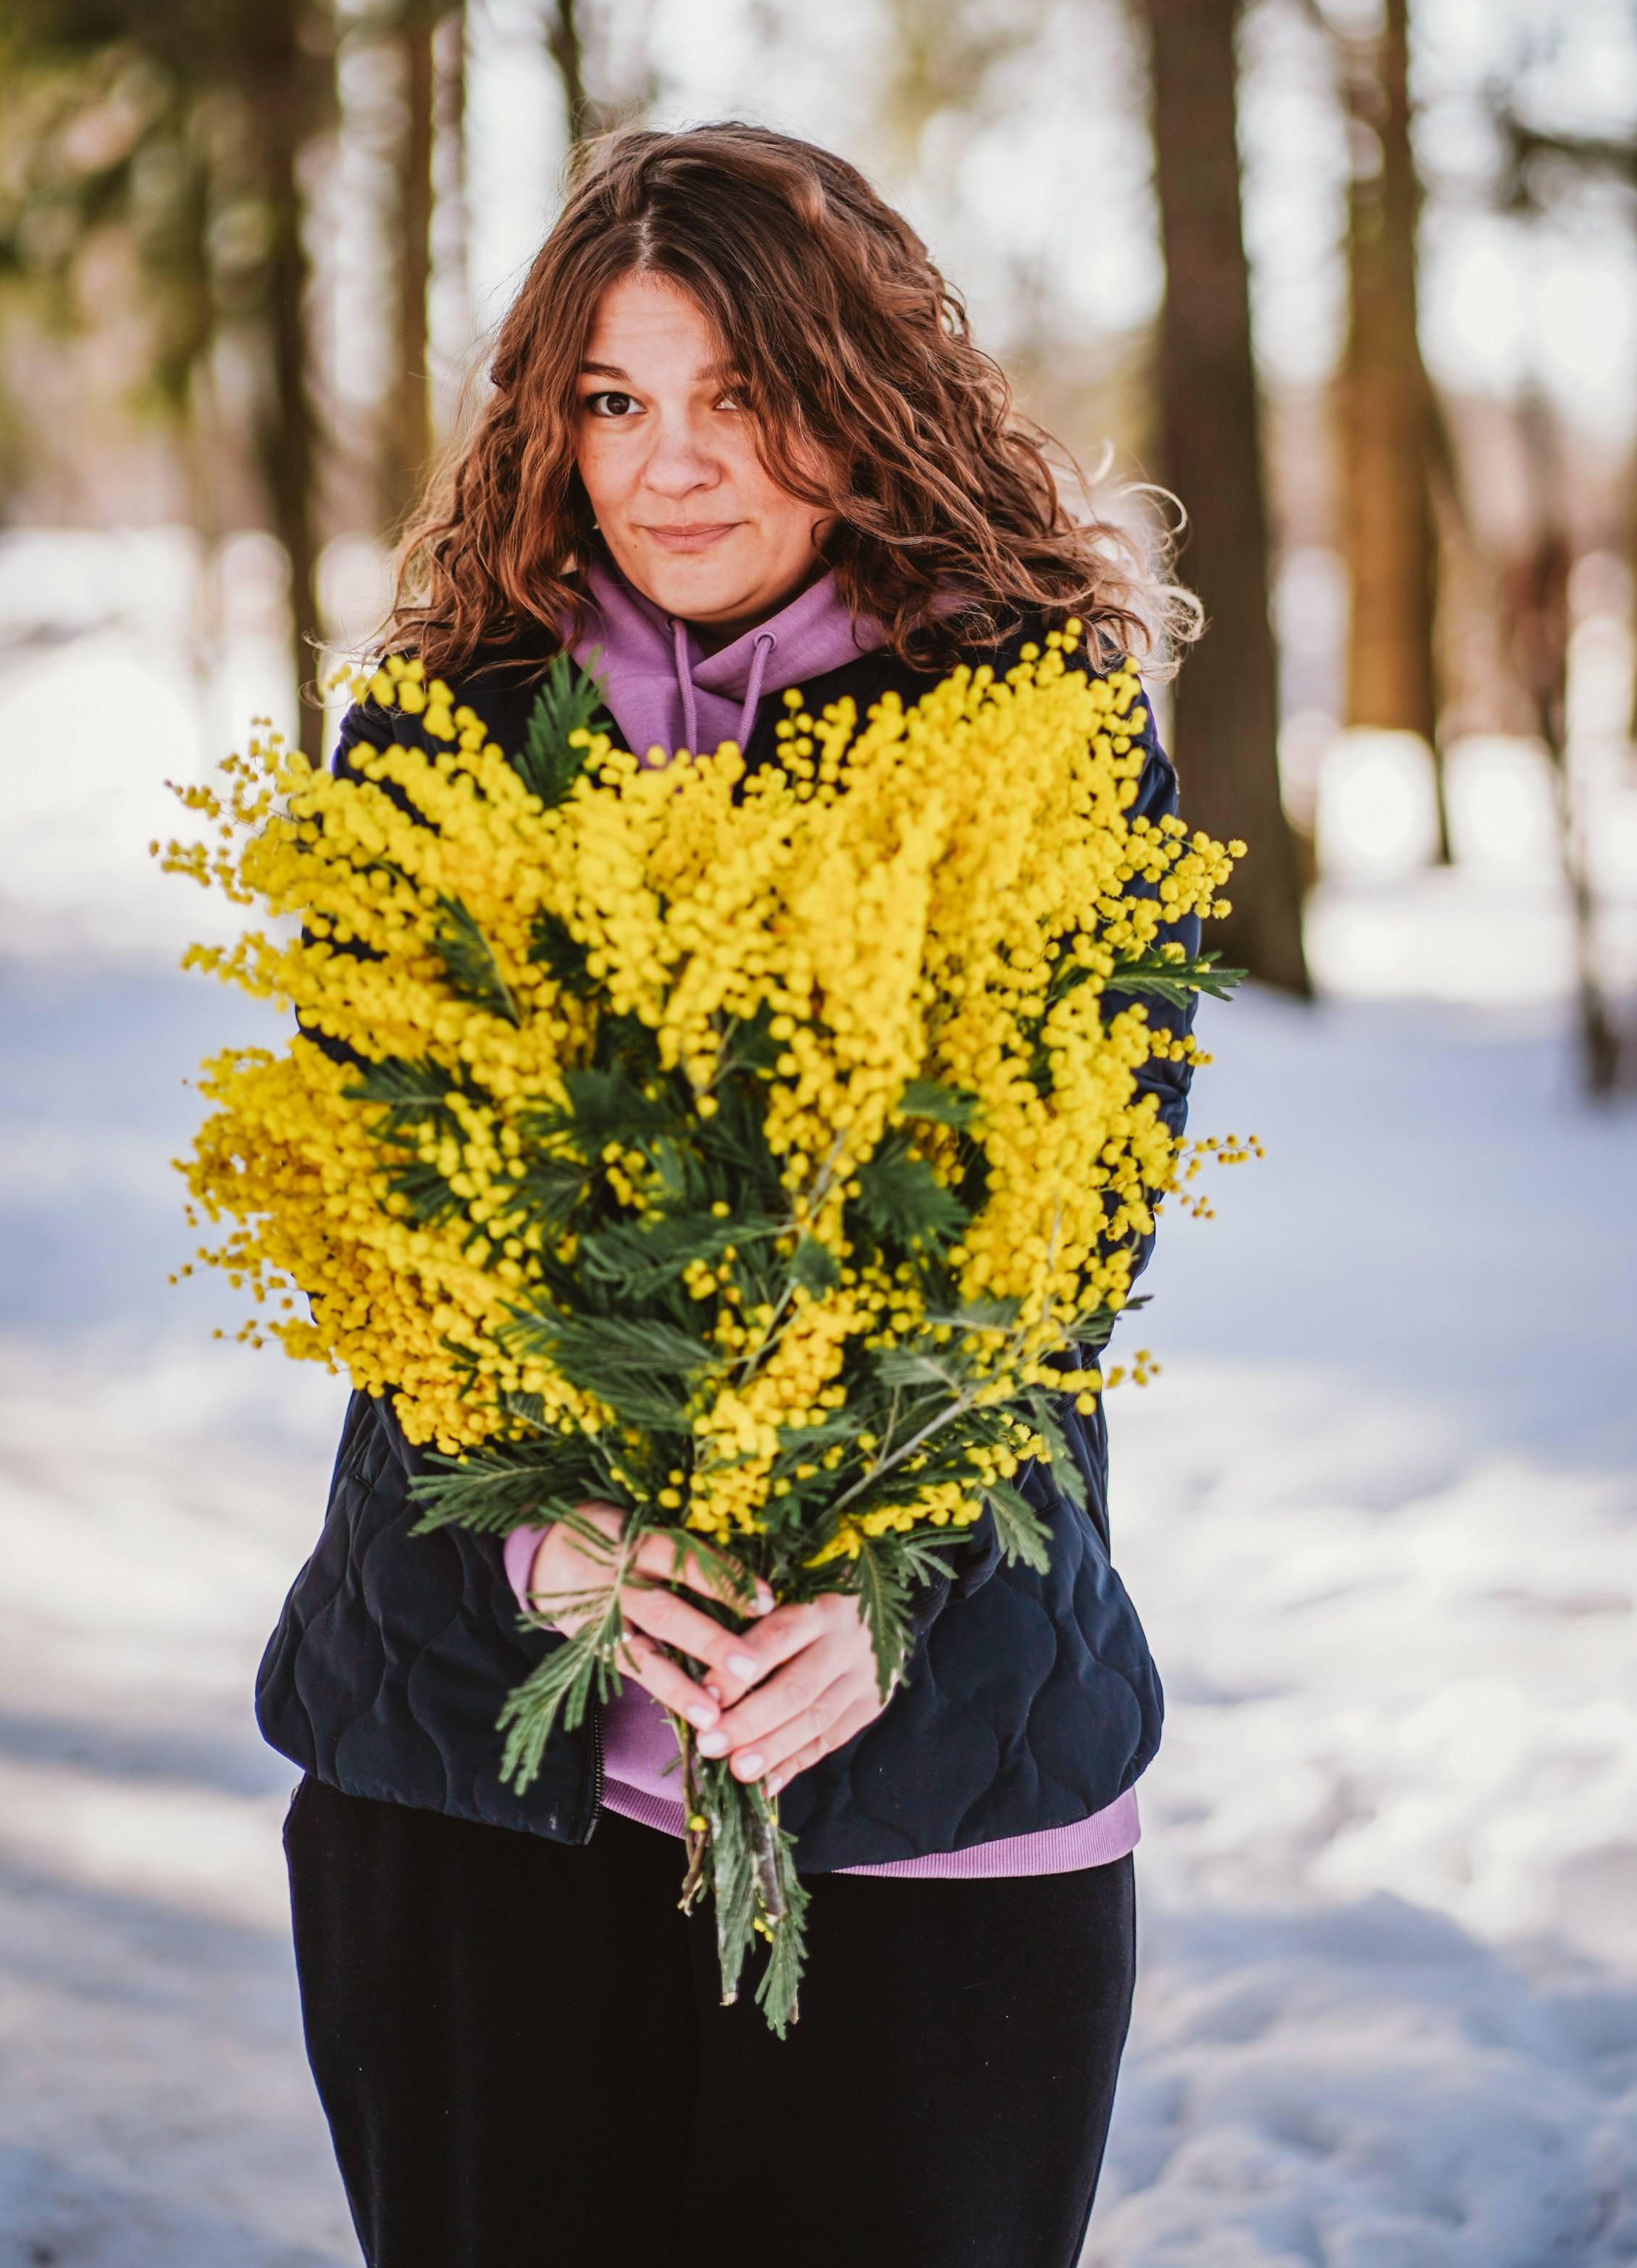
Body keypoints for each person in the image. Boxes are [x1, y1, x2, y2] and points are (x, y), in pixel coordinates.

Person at [262, 122, 1196, 2268]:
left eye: (738, 396)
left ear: (856, 395)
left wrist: (892, 1587)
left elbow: (1067, 1244)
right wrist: (537, 1538)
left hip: (931, 1778)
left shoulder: (1042, 722)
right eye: (612, 400)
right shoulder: (436, 734)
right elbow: (381, 1230)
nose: (670, 463)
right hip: (479, 1782)